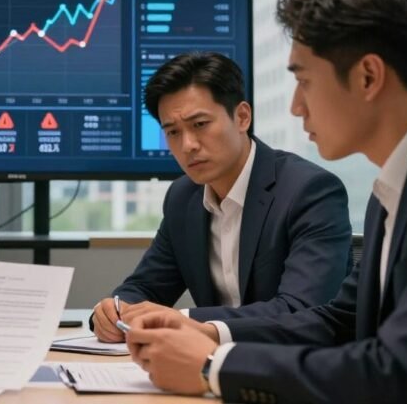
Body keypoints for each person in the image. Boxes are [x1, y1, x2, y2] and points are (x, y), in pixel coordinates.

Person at [125, 0, 407, 403]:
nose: (297, 106)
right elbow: (337, 320)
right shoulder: (403, 180)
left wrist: (212, 367)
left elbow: (400, 372)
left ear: (368, 77)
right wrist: (204, 330)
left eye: (303, 80)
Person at [91, 52, 351, 343]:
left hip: (292, 368)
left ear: (242, 117)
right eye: (173, 132)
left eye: (200, 124)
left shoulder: (309, 191)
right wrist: (112, 311)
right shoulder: (183, 197)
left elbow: (301, 310)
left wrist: (184, 321)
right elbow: (145, 288)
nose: (187, 145)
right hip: (204, 368)